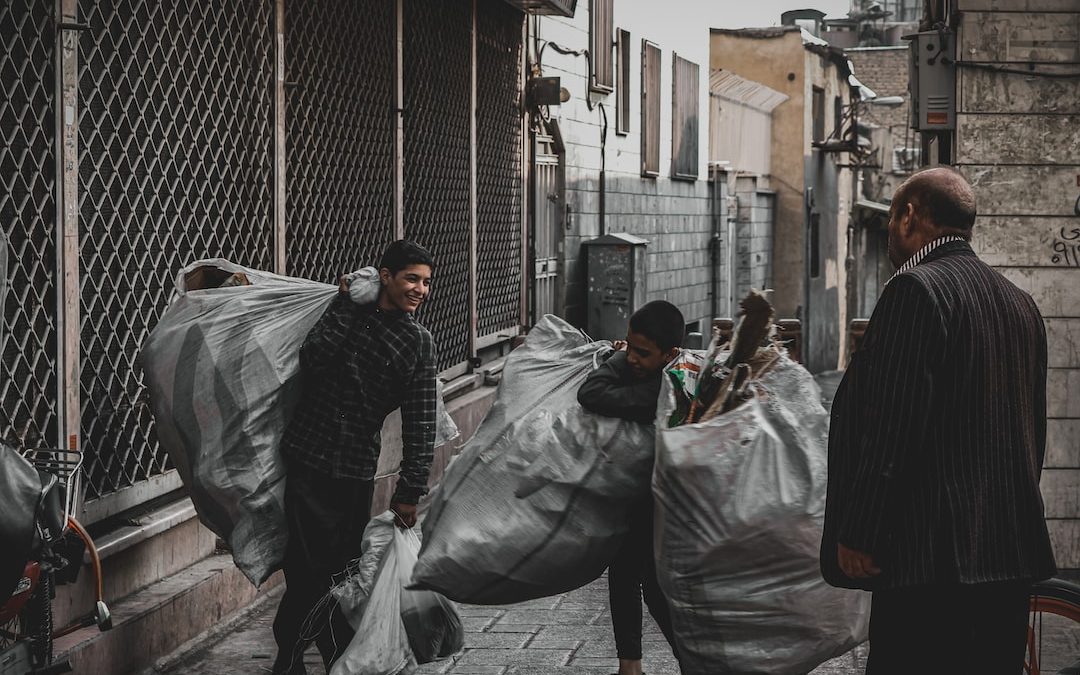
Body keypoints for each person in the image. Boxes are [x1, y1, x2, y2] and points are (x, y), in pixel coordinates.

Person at [820, 167, 1057, 673]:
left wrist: (860, 530)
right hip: (1007, 556)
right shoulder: (1020, 304)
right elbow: (1032, 432)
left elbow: (892, 428)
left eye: (889, 220)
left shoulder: (915, 291)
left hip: (932, 564)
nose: (887, 236)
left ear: (909, 215)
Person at [272, 240, 438, 675]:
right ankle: (293, 653)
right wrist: (346, 304)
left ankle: (320, 653)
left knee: (341, 572)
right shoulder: (345, 312)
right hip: (307, 459)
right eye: (411, 279)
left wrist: (409, 492)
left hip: (354, 471)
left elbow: (422, 422)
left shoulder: (417, 343)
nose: (419, 289)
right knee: (305, 569)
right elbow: (312, 361)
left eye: (425, 282)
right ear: (385, 276)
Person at [577, 300, 684, 675]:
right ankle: (631, 664)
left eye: (643, 353)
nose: (634, 358)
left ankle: (684, 660)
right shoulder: (667, 370)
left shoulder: (662, 390)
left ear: (668, 354)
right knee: (626, 574)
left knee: (651, 584)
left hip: (658, 499)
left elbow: (591, 393)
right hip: (634, 492)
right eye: (630, 347)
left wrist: (618, 360)